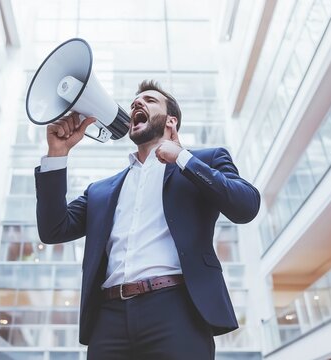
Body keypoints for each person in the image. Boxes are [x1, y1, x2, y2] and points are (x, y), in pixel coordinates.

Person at [35, 80, 260, 359]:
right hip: (109, 319)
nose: (137, 104)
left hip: (177, 311)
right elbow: (52, 230)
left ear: (171, 121)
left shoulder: (205, 161)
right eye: (134, 104)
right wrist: (57, 154)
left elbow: (246, 206)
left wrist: (184, 159)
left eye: (150, 100)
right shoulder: (101, 191)